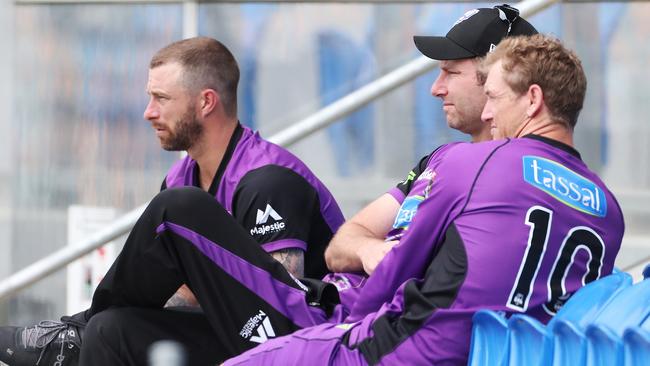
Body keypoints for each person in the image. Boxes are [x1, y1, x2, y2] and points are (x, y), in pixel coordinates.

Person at [222, 33, 625, 365]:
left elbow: (391, 276)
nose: (486, 115)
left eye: (495, 98)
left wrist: (339, 333)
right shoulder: (609, 209)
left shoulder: (475, 161)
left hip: (412, 349)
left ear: (533, 100)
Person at [0, 37, 344, 366]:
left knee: (176, 207)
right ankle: (85, 332)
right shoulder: (180, 176)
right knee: (109, 332)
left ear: (206, 102)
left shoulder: (269, 178)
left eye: (161, 98)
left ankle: (76, 330)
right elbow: (183, 288)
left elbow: (279, 299)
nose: (149, 112)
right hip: (230, 329)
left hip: (307, 340)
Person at [324, 4, 537, 276]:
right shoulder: (441, 160)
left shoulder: (525, 177)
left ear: (499, 80)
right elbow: (339, 247)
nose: (436, 88)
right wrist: (373, 251)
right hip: (355, 306)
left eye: (452, 73)